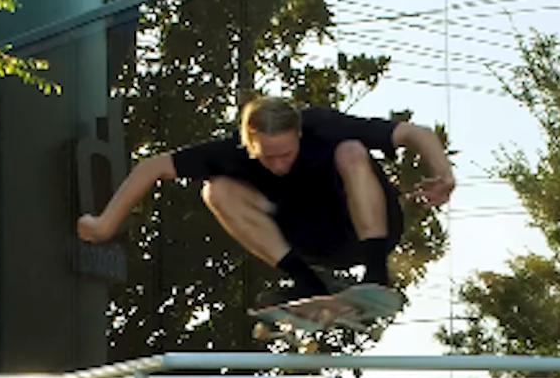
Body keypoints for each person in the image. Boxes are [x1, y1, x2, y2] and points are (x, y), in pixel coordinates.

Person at [76, 96, 455, 306]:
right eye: (266, 156)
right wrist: (104, 225)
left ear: (300, 134)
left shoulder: (324, 125)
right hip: (313, 243)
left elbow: (414, 133)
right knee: (216, 189)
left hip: (367, 226)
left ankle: (377, 275)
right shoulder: (232, 153)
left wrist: (444, 174)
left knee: (352, 151)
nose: (278, 164)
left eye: (287, 153)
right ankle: (307, 282)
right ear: (249, 142)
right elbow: (152, 167)